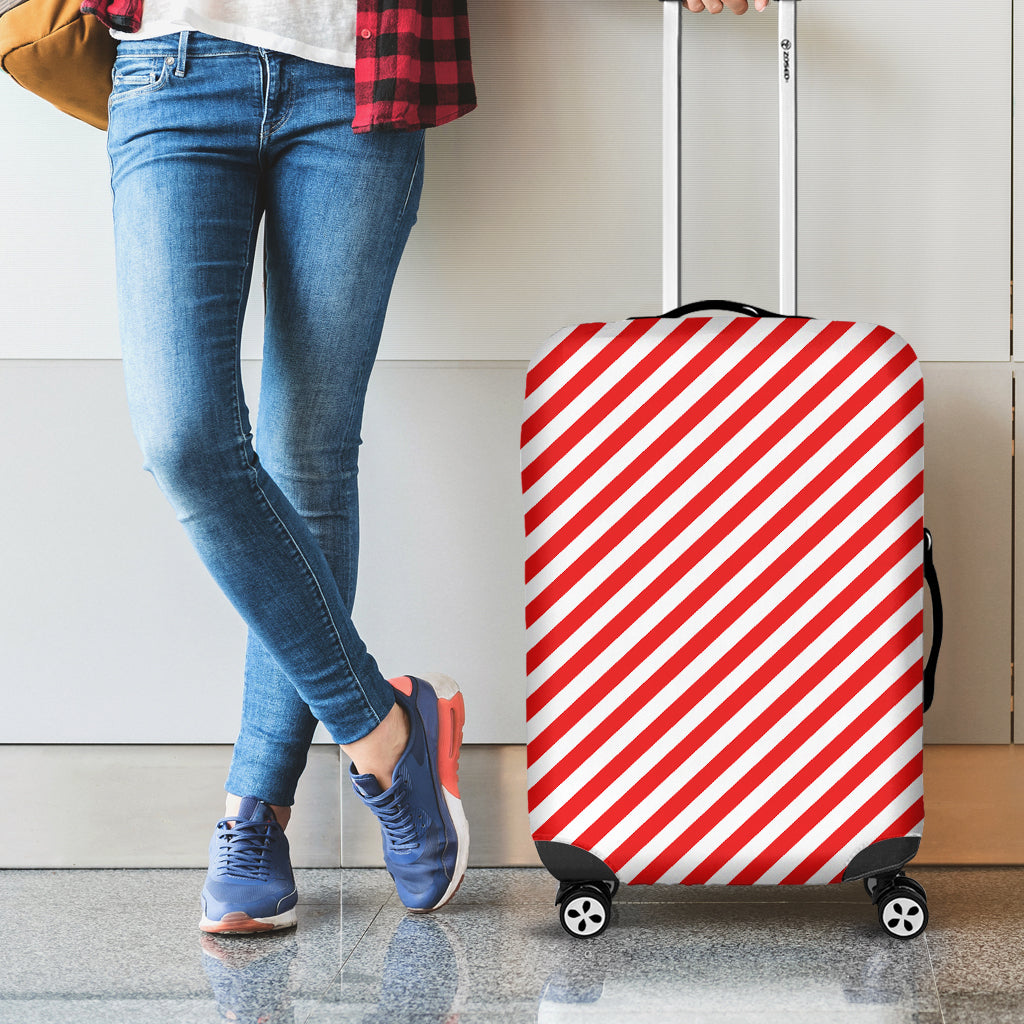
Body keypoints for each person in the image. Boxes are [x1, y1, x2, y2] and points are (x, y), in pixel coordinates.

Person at [84, 0, 475, 933]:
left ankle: (255, 813)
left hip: (359, 79)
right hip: (173, 69)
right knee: (184, 442)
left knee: (309, 455)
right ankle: (385, 730)